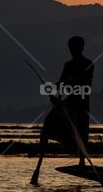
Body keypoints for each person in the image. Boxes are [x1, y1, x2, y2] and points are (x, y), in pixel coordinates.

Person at [39, 36, 94, 167]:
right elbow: (62, 83)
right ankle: (40, 155)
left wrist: (68, 84)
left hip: (81, 101)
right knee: (48, 123)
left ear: (81, 48)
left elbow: (85, 85)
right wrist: (54, 92)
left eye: (74, 48)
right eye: (71, 48)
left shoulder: (88, 64)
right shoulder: (68, 65)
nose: (72, 51)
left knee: (81, 131)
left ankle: (82, 161)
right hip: (68, 102)